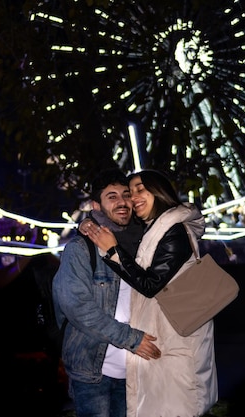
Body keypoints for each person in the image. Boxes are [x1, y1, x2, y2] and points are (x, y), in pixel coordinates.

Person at [83, 169, 218, 417]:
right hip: (165, 340)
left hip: (176, 343)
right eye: (130, 192)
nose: (133, 198)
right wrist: (88, 222)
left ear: (159, 191)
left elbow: (150, 284)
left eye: (139, 190)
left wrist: (113, 251)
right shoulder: (153, 229)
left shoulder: (173, 231)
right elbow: (113, 221)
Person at [52, 168, 162, 417]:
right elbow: (77, 308)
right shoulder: (80, 249)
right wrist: (131, 339)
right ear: (96, 205)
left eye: (125, 195)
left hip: (138, 371)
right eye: (111, 196)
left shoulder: (144, 245)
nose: (122, 202)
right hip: (93, 371)